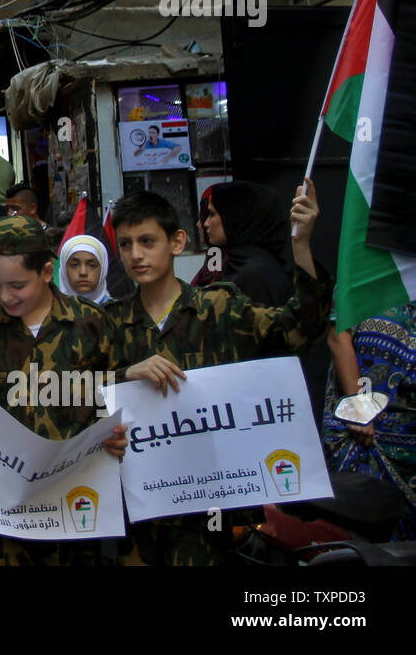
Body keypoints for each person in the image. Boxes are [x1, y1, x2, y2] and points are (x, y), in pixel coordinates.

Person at [103, 185, 331, 565]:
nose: (135, 254)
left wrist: (303, 245)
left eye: (147, 241)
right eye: (125, 244)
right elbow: (71, 390)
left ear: (177, 242)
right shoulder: (109, 322)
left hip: (211, 508)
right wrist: (125, 374)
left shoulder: (220, 308)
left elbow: (300, 328)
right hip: (138, 512)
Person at [0, 216, 130, 565]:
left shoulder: (91, 324)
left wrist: (115, 433)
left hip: (75, 500)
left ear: (47, 272)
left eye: (17, 284)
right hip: (2, 508)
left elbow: (113, 394)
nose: (4, 296)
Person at [322, 304, 416, 541]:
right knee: (364, 531)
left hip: (408, 436)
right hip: (363, 432)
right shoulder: (363, 270)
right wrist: (360, 407)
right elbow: (337, 336)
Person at [205, 179, 294, 307]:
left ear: (234, 217)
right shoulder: (240, 263)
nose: (206, 223)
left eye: (212, 214)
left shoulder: (253, 276)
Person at [57, 234, 111, 305]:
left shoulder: (118, 312)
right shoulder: (47, 311)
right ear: (64, 269)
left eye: (92, 265)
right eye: (74, 265)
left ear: (103, 269)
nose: (83, 272)